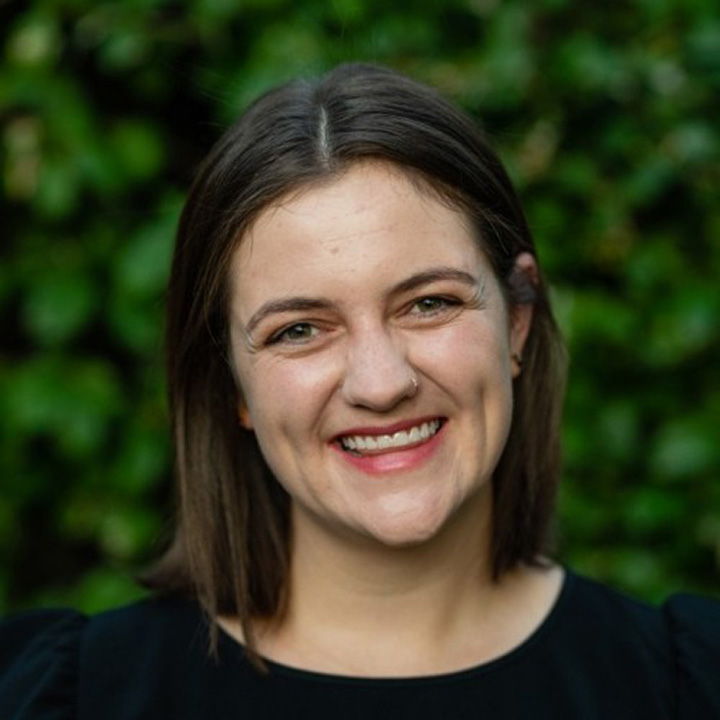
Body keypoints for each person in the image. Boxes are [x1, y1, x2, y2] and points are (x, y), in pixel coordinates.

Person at [1, 63, 718, 719]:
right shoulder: (67, 698)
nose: (382, 385)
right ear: (231, 387)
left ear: (518, 323)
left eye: (429, 303)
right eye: (300, 330)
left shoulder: (684, 687)